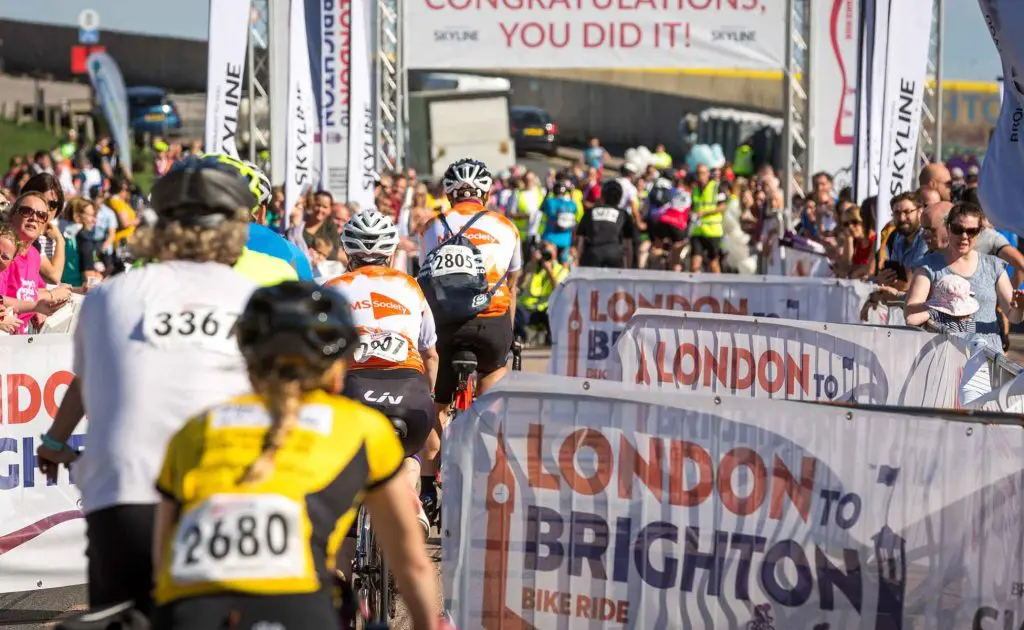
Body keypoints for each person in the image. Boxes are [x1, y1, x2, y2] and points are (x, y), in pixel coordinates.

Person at [36, 161, 261, 616]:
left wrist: (54, 443)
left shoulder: (108, 296)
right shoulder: (254, 300)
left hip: (124, 500)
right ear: (234, 228)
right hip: (222, 497)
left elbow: (86, 381)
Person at [149, 281, 439, 630]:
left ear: (249, 364)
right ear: (337, 369)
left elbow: (161, 555)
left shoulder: (197, 428)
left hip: (188, 611)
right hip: (296, 606)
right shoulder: (362, 428)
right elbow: (411, 563)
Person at [326, 209, 438, 537]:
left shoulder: (332, 288)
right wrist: (430, 397)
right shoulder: (410, 287)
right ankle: (411, 500)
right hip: (410, 394)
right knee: (409, 452)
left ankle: (347, 542)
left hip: (353, 392)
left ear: (347, 251)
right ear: (390, 252)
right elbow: (431, 355)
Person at [417, 158, 521, 506]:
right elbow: (512, 286)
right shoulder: (506, 227)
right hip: (491, 322)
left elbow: (426, 281)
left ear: (448, 194)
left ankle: (427, 487)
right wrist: (509, 333)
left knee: (436, 405)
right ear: (486, 193)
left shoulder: (432, 226)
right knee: (492, 390)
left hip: (445, 326)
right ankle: (488, 466)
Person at [905, 203, 1024, 353]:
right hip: (946, 353)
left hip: (987, 354)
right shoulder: (929, 266)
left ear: (979, 232)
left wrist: (1020, 308)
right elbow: (910, 311)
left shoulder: (993, 265)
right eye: (958, 229)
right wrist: (942, 306)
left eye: (971, 231)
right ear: (948, 228)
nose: (964, 236)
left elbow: (1013, 316)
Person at [2, 191, 71, 332]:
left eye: (41, 215)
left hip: (22, 338)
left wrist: (78, 290)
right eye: (26, 211)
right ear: (12, 216)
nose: (34, 218)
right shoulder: (4, 252)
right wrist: (38, 305)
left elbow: (33, 290)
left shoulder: (34, 255)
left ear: (44, 226)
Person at [575, 180, 639, 268]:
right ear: (620, 197)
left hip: (592, 256)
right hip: (615, 256)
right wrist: (627, 268)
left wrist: (577, 262)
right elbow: (627, 246)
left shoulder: (590, 212)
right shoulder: (623, 214)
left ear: (602, 196)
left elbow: (580, 242)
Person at [515, 240, 568, 345]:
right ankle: (520, 339)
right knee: (515, 312)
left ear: (555, 253)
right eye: (544, 252)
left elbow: (560, 291)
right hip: (529, 308)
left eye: (549, 253)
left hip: (547, 308)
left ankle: (552, 338)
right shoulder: (532, 266)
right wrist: (530, 266)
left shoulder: (562, 270)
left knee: (557, 311)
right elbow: (520, 285)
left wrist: (549, 271)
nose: (546, 256)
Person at [689, 164, 725, 273]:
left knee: (713, 263)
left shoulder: (716, 187)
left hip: (712, 231)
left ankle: (717, 283)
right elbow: (693, 207)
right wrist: (692, 214)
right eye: (698, 173)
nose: (700, 175)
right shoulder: (695, 189)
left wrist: (704, 213)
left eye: (703, 173)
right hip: (698, 230)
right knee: (695, 264)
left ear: (708, 174)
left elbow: (722, 207)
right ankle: (695, 284)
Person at [538, 180, 576, 263]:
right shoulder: (572, 204)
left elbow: (541, 209)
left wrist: (547, 193)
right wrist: (571, 194)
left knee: (548, 263)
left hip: (550, 238)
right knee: (564, 264)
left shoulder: (550, 202)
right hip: (566, 239)